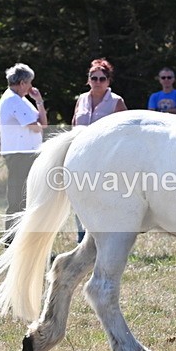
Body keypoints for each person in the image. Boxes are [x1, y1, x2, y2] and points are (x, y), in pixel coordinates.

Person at [71, 58, 128, 242]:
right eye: (93, 78)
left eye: (101, 78)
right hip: (81, 157)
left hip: (105, 160)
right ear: (88, 80)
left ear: (108, 81)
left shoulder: (116, 102)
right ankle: (82, 238)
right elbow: (74, 124)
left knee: (102, 198)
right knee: (80, 196)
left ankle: (103, 237)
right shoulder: (81, 99)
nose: (97, 82)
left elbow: (125, 134)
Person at [0, 63, 47, 239]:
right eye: (29, 82)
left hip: (28, 154)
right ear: (22, 82)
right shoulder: (12, 100)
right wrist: (39, 125)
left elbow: (44, 124)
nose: (31, 86)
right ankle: (12, 238)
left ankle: (22, 236)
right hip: (20, 155)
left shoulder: (21, 100)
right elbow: (35, 127)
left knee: (26, 197)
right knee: (18, 198)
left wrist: (39, 101)